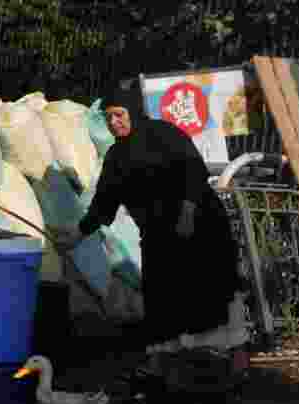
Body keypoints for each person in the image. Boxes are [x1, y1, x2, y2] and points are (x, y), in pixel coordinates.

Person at [50, 84, 246, 374]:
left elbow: (193, 169)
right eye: (108, 118)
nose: (114, 123)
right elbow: (103, 204)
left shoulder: (164, 134)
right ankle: (164, 362)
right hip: (158, 234)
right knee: (161, 294)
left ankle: (235, 356)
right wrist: (75, 237)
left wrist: (188, 213)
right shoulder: (117, 158)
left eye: (118, 115)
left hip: (199, 223)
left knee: (215, 285)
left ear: (133, 111)